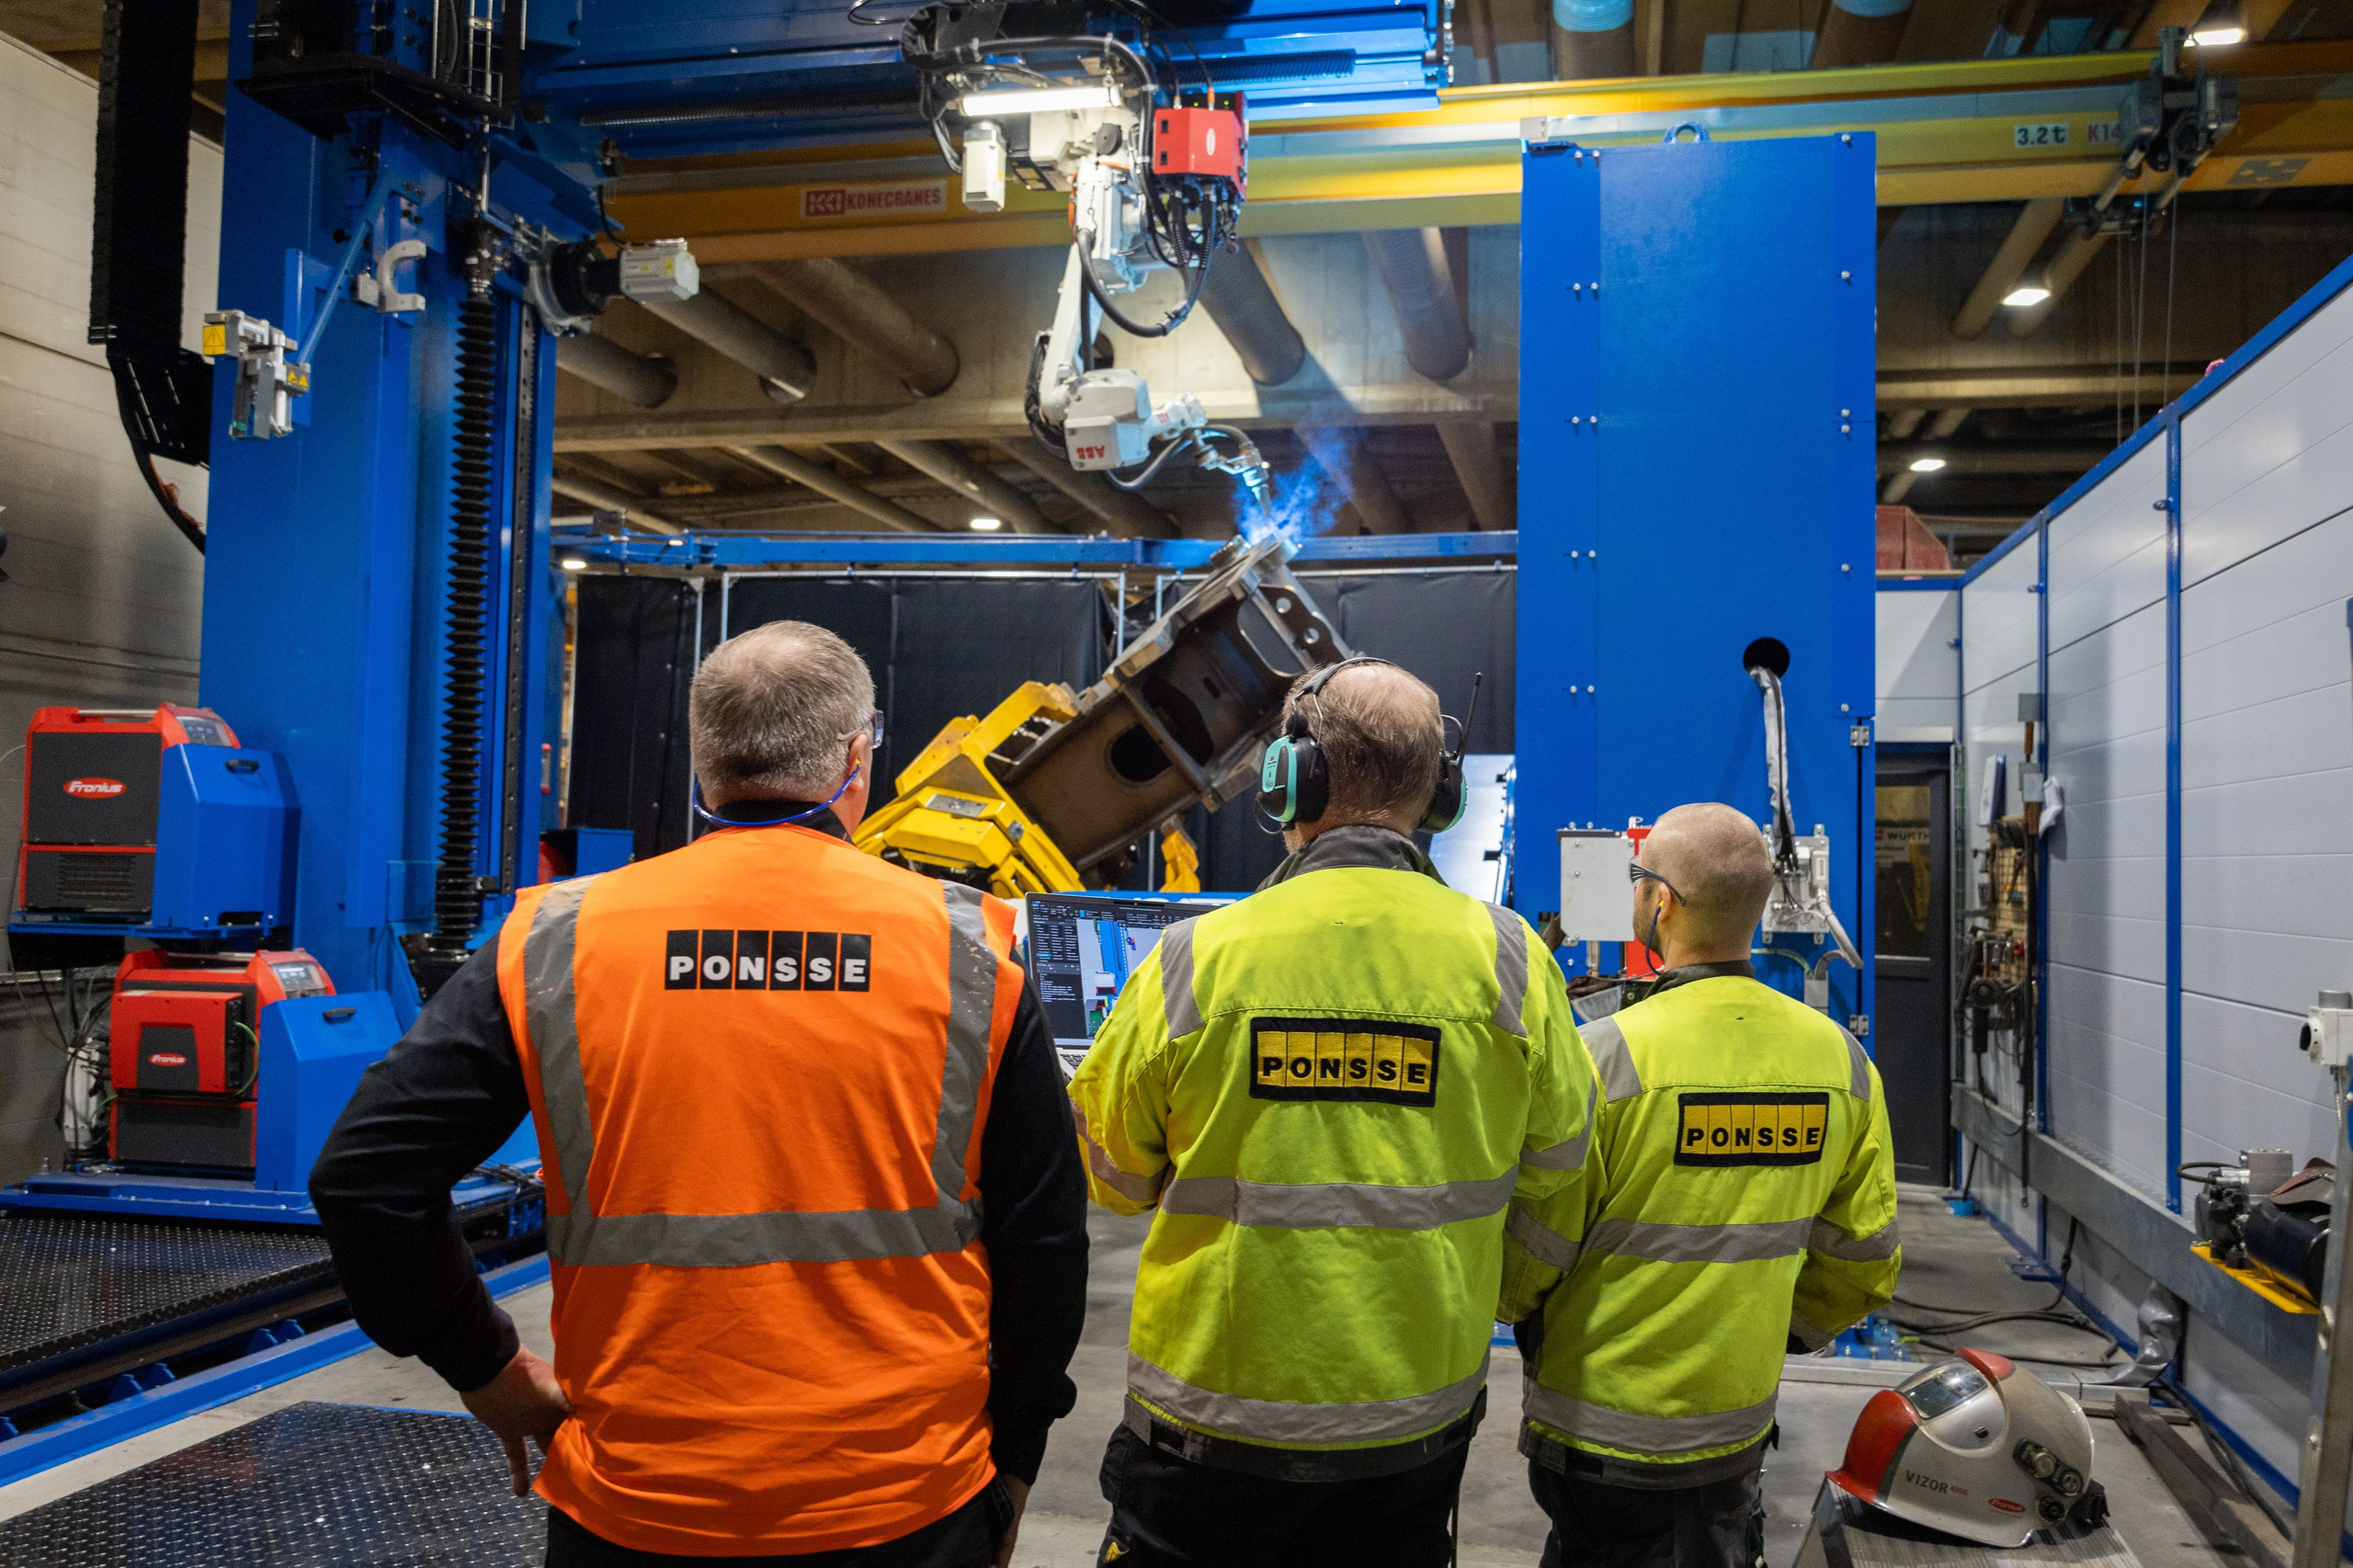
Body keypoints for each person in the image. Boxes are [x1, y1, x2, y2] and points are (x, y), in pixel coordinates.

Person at [311, 620, 1088, 1568]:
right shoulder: (971, 949)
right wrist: (1013, 1453)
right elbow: (1045, 1239)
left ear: (703, 766)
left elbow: (365, 1178)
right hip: (902, 1505)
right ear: (856, 758)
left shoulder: (556, 938)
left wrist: (486, 1366)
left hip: (636, 1508)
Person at [1069, 657, 1595, 1568]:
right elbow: (1561, 1175)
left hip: (1207, 1426)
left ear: (1289, 779)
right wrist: (1496, 1294)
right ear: (1439, 792)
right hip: (1409, 1428)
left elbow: (1112, 1176)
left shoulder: (1197, 959)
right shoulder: (1512, 963)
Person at [1499, 801, 1901, 1568]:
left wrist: (1517, 1313)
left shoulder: (1604, 1058)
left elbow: (1533, 1254)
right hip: (1733, 1430)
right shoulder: (1841, 1065)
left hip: (1596, 1437)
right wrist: (1771, 1333)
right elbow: (1866, 1261)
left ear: (1662, 902)